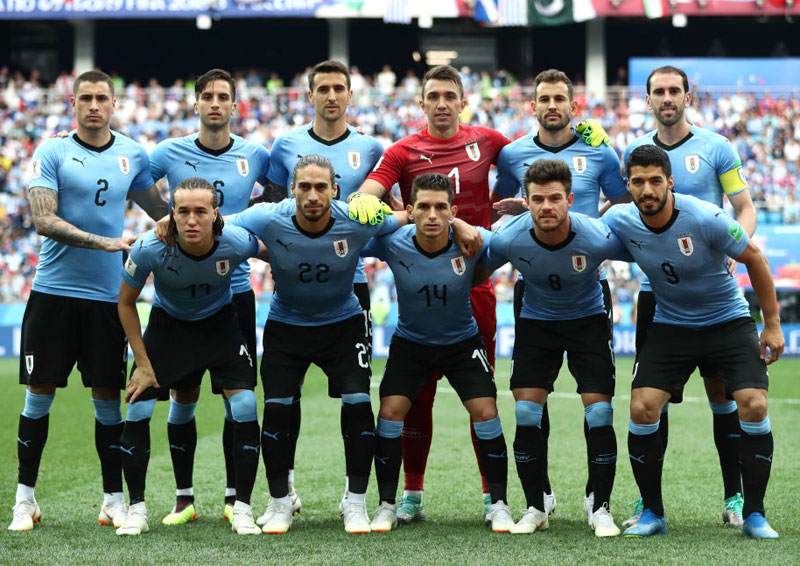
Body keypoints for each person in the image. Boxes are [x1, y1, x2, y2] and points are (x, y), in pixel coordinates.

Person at [355, 64, 610, 521]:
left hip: (476, 281)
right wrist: (439, 220)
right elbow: (368, 200)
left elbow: (544, 159)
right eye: (432, 95)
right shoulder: (402, 150)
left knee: (482, 396)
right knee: (417, 396)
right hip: (422, 275)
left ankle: (493, 497)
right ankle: (410, 494)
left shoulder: (490, 142)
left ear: (462, 100)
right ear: (421, 103)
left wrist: (591, 137)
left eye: (449, 95)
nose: (441, 103)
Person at [9, 70, 168, 532]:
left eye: (102, 98)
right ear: (72, 103)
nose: (94, 105)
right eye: (86, 98)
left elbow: (160, 214)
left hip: (106, 300)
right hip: (53, 294)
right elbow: (43, 220)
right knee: (38, 395)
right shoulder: (52, 150)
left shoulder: (132, 154)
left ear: (115, 103)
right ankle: (25, 500)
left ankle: (112, 500)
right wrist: (108, 243)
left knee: (107, 397)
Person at [602, 145, 783, 539]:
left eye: (655, 181)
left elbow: (756, 258)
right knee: (642, 407)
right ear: (628, 185)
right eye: (638, 182)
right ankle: (652, 513)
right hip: (672, 326)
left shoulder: (705, 216)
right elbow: (581, 234)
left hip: (728, 322)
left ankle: (754, 513)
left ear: (669, 182)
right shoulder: (619, 218)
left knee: (753, 404)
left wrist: (771, 325)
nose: (647, 189)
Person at [230, 155, 405, 534]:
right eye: (304, 187)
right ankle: (280, 504)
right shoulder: (267, 216)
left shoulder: (356, 219)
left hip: (342, 327)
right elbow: (217, 224)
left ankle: (355, 504)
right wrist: (166, 222)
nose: (312, 195)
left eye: (321, 187)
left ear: (335, 190)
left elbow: (403, 220)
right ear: (291, 189)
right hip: (286, 327)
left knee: (359, 406)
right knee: (276, 411)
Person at [621, 65, 758, 529]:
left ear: (688, 96)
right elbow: (617, 211)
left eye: (673, 90)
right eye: (658, 91)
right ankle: (648, 504)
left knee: (723, 394)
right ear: (648, 98)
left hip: (712, 291)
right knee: (648, 400)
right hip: (655, 295)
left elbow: (743, 207)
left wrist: (738, 252)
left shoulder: (716, 146)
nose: (666, 98)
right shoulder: (636, 152)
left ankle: (734, 497)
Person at [493, 68, 628, 518]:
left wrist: (594, 230)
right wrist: (520, 213)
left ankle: (597, 497)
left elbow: (624, 200)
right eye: (544, 98)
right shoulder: (512, 154)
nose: (552, 105)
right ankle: (541, 496)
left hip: (588, 284)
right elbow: (495, 208)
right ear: (532, 106)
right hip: (534, 289)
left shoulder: (601, 151)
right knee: (531, 401)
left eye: (560, 99)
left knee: (598, 405)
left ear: (574, 106)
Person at [255, 60, 385, 522]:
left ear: (350, 95)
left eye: (339, 89)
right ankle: (282, 491)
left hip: (349, 291)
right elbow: (270, 210)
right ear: (309, 95)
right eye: (322, 89)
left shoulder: (371, 147)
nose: (331, 96)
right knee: (282, 401)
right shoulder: (285, 144)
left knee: (355, 397)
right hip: (291, 295)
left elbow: (386, 215)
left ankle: (356, 501)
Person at [115, 178, 271, 536]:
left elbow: (277, 252)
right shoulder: (149, 247)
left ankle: (242, 508)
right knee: (139, 405)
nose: (191, 220)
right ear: (171, 214)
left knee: (245, 407)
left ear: (216, 214)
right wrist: (142, 364)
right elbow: (124, 303)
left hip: (220, 327)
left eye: (201, 211)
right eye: (183, 211)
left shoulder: (236, 241)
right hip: (168, 329)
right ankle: (139, 508)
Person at [149, 68, 270, 525]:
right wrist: (166, 218)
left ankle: (234, 497)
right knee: (183, 393)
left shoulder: (255, 155)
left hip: (235, 293)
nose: (215, 103)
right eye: (207, 96)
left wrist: (251, 227)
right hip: (183, 293)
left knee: (236, 397)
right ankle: (184, 499)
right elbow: (140, 182)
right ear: (195, 104)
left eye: (224, 97)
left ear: (235, 106)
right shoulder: (169, 151)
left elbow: (279, 195)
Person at [364, 173, 512, 533]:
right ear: (411, 210)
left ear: (453, 211)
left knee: (486, 410)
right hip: (411, 344)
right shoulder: (393, 242)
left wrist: (470, 226)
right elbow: (353, 231)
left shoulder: (474, 241)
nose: (432, 215)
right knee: (390, 411)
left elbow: (512, 243)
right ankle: (387, 505)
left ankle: (499, 504)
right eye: (424, 207)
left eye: (441, 208)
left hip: (462, 344)